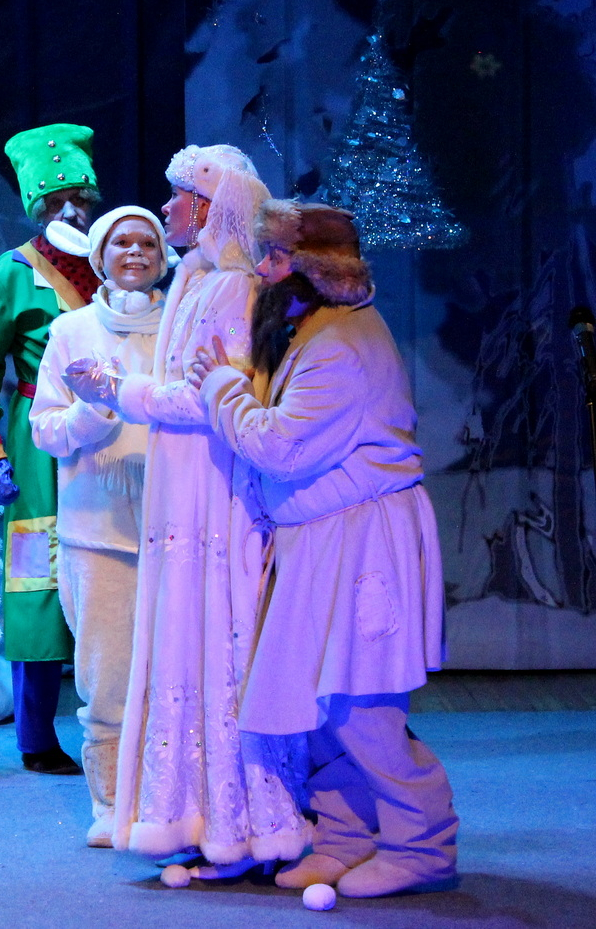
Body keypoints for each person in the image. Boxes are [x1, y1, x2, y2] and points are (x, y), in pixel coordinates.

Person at [187, 202, 456, 898]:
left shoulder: (339, 344)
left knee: (358, 702)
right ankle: (345, 836)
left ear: (314, 269)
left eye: (277, 258)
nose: (264, 270)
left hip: (362, 541)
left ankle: (422, 844)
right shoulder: (318, 329)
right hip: (323, 536)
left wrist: (220, 386)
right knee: (318, 699)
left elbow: (280, 445)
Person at [66, 144, 310, 872]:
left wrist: (120, 390)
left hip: (215, 492)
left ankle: (238, 823)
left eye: (178, 198)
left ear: (208, 208)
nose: (167, 208)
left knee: (216, 641)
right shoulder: (198, 280)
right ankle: (193, 813)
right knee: (186, 641)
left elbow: (209, 395)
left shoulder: (231, 286)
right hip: (183, 495)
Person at [0, 123, 103, 774]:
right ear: (36, 208)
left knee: (110, 570)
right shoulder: (13, 272)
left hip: (109, 438)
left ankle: (118, 719)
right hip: (34, 443)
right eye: (56, 202)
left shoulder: (117, 262)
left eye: (80, 198)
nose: (70, 212)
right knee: (35, 578)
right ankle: (36, 735)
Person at [30, 206, 170, 846]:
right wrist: (95, 413)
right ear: (100, 256)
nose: (135, 252)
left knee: (175, 673)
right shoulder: (71, 330)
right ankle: (111, 804)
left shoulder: (182, 324)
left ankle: (168, 801)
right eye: (122, 243)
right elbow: (45, 430)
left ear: (163, 256)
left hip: (177, 530)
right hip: (97, 533)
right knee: (107, 676)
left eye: (147, 243)